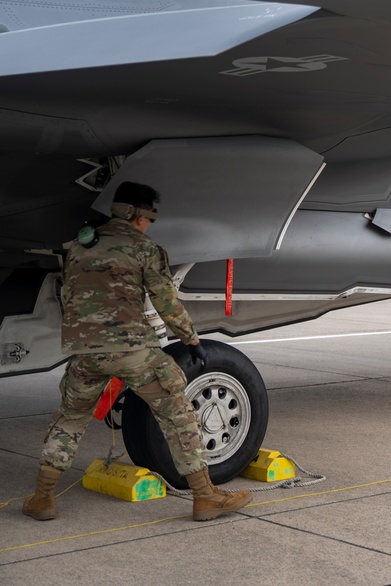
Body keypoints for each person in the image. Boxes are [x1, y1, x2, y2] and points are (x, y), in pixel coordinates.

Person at [23, 182, 252, 522]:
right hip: (133, 349)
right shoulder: (144, 247)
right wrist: (191, 340)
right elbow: (165, 301)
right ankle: (205, 497)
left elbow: (67, 296)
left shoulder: (81, 247)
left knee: (69, 420)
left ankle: (42, 498)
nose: (149, 225)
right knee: (178, 415)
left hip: (86, 351)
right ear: (139, 216)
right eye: (149, 219)